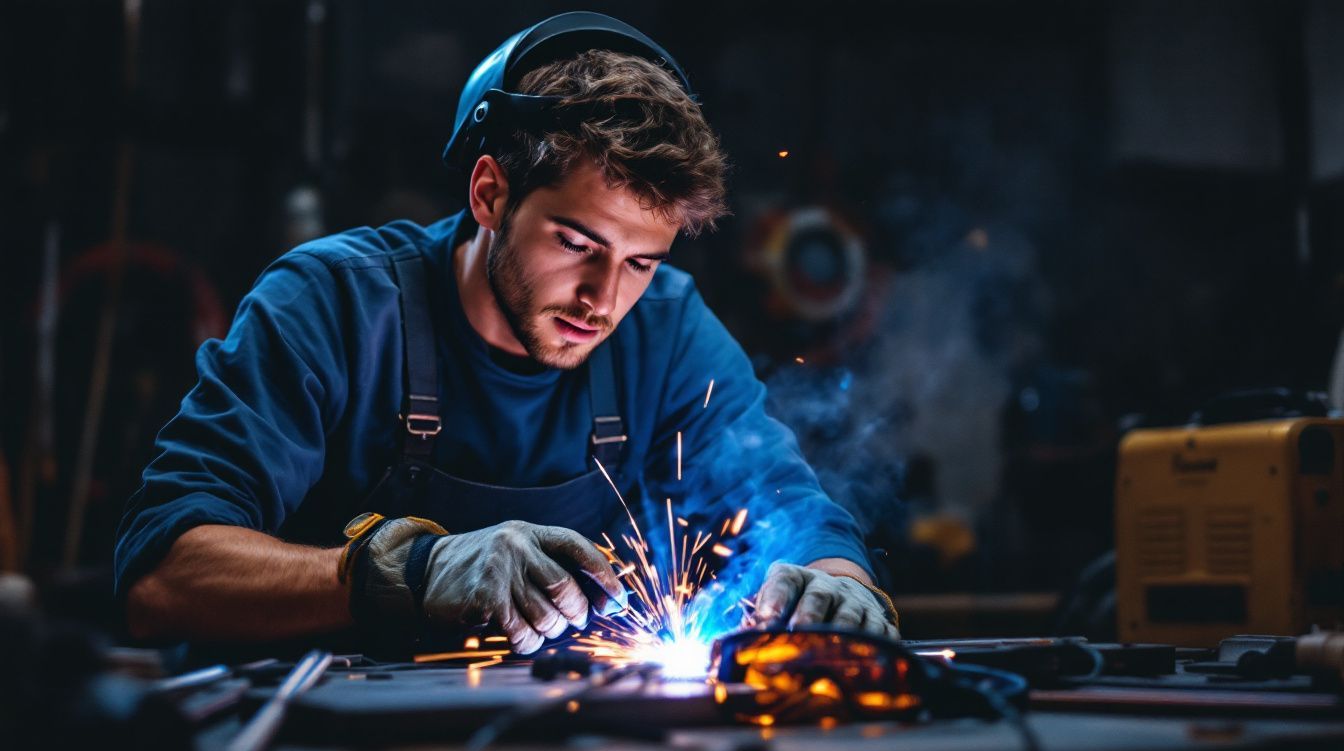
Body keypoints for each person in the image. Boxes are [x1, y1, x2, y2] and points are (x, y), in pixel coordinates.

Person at [115, 12, 898, 658]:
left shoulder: (665, 328)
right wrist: (411, 573)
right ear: (490, 194)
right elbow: (161, 578)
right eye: (576, 244)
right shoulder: (334, 306)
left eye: (641, 262)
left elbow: (792, 509)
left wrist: (837, 582)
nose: (603, 298)